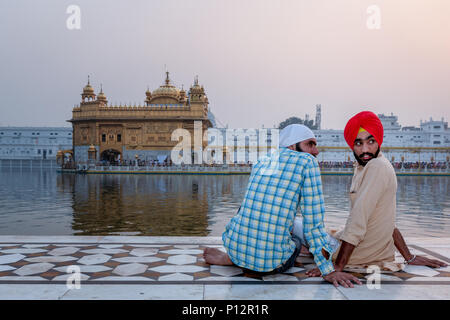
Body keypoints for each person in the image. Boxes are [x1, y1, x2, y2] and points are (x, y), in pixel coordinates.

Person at [203, 124, 361, 288]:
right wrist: (328, 270)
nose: (316, 151)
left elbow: (245, 211)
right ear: (292, 146)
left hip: (236, 250)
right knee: (297, 242)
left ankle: (233, 258)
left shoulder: (262, 160)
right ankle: (259, 255)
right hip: (271, 264)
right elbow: (313, 223)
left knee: (257, 210)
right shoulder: (307, 162)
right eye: (310, 144)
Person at [305, 111, 447, 281]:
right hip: (373, 252)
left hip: (359, 254)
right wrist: (409, 257)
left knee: (299, 228)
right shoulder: (370, 165)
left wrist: (336, 267)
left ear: (378, 140)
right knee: (315, 234)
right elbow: (387, 222)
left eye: (370, 141)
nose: (365, 149)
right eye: (358, 143)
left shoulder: (376, 167)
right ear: (352, 145)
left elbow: (358, 219)